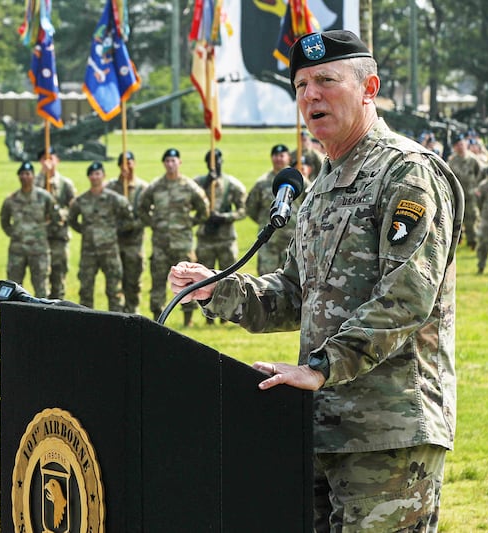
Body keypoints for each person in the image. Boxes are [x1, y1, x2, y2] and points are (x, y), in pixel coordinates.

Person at [169, 30, 463, 532]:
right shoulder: (322, 186)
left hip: (386, 432)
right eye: (301, 85)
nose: (310, 95)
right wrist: (220, 291)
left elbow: (406, 296)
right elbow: (294, 295)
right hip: (316, 426)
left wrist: (322, 366)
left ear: (369, 87)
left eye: (326, 80)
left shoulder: (406, 173)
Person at [137, 148, 208, 326]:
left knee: (187, 282)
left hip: (182, 243)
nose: (170, 164)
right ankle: (157, 320)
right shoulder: (155, 186)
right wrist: (153, 223)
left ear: (179, 162)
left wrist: (188, 223)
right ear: (164, 164)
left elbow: (204, 209)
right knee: (158, 280)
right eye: (167, 161)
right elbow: (142, 208)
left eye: (173, 160)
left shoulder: (189, 186)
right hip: (160, 243)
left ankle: (188, 319)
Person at [68, 161, 133, 312]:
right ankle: (87, 322)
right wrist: (85, 231)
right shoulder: (81, 200)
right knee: (86, 289)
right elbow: (72, 219)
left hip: (109, 251)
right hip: (88, 252)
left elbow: (129, 219)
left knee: (114, 290)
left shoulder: (114, 199)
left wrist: (113, 231)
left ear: (103, 176)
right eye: (91, 174)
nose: (95, 177)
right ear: (88, 177)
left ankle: (116, 322)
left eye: (98, 174)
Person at [194, 149, 247, 324]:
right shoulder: (198, 183)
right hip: (205, 238)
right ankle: (208, 316)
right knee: (203, 279)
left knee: (228, 278)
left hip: (225, 238)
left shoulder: (232, 184)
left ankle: (227, 315)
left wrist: (225, 217)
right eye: (210, 160)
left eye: (216, 160)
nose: (213, 163)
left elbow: (243, 209)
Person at [0, 161, 57, 299]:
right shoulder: (11, 200)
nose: (25, 177)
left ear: (33, 176)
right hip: (17, 250)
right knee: (13, 287)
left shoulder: (44, 197)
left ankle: (43, 318)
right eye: (22, 174)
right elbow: (4, 220)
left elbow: (55, 218)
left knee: (41, 287)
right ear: (18, 177)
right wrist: (14, 234)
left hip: (39, 250)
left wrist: (42, 234)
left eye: (28, 174)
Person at [246, 144, 301, 275]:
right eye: (275, 155)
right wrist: (264, 221)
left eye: (282, 155)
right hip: (269, 242)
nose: (278, 159)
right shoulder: (262, 183)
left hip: (293, 242)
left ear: (288, 157)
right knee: (266, 282)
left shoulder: (299, 182)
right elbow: (251, 208)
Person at [105, 151, 148, 314]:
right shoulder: (111, 188)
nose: (126, 166)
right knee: (114, 284)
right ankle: (116, 316)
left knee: (133, 283)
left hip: (134, 244)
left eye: (129, 162)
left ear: (134, 164)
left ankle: (132, 313)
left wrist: (133, 225)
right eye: (123, 163)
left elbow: (147, 214)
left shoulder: (143, 188)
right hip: (114, 243)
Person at [35, 147, 77, 299]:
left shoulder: (66, 184)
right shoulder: (34, 181)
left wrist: (60, 215)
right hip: (40, 237)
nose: (47, 162)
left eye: (50, 158)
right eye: (43, 159)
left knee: (58, 276)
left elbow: (74, 208)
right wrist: (42, 176)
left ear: (57, 160)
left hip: (59, 236)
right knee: (41, 278)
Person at [448, 133, 481, 249]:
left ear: (466, 144)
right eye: (457, 145)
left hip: (470, 194)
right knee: (456, 219)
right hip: (457, 195)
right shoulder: (452, 161)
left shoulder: (473, 159)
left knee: (472, 218)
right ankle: (457, 240)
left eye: (461, 144)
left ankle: (473, 241)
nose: (460, 147)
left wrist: (477, 188)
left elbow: (480, 174)